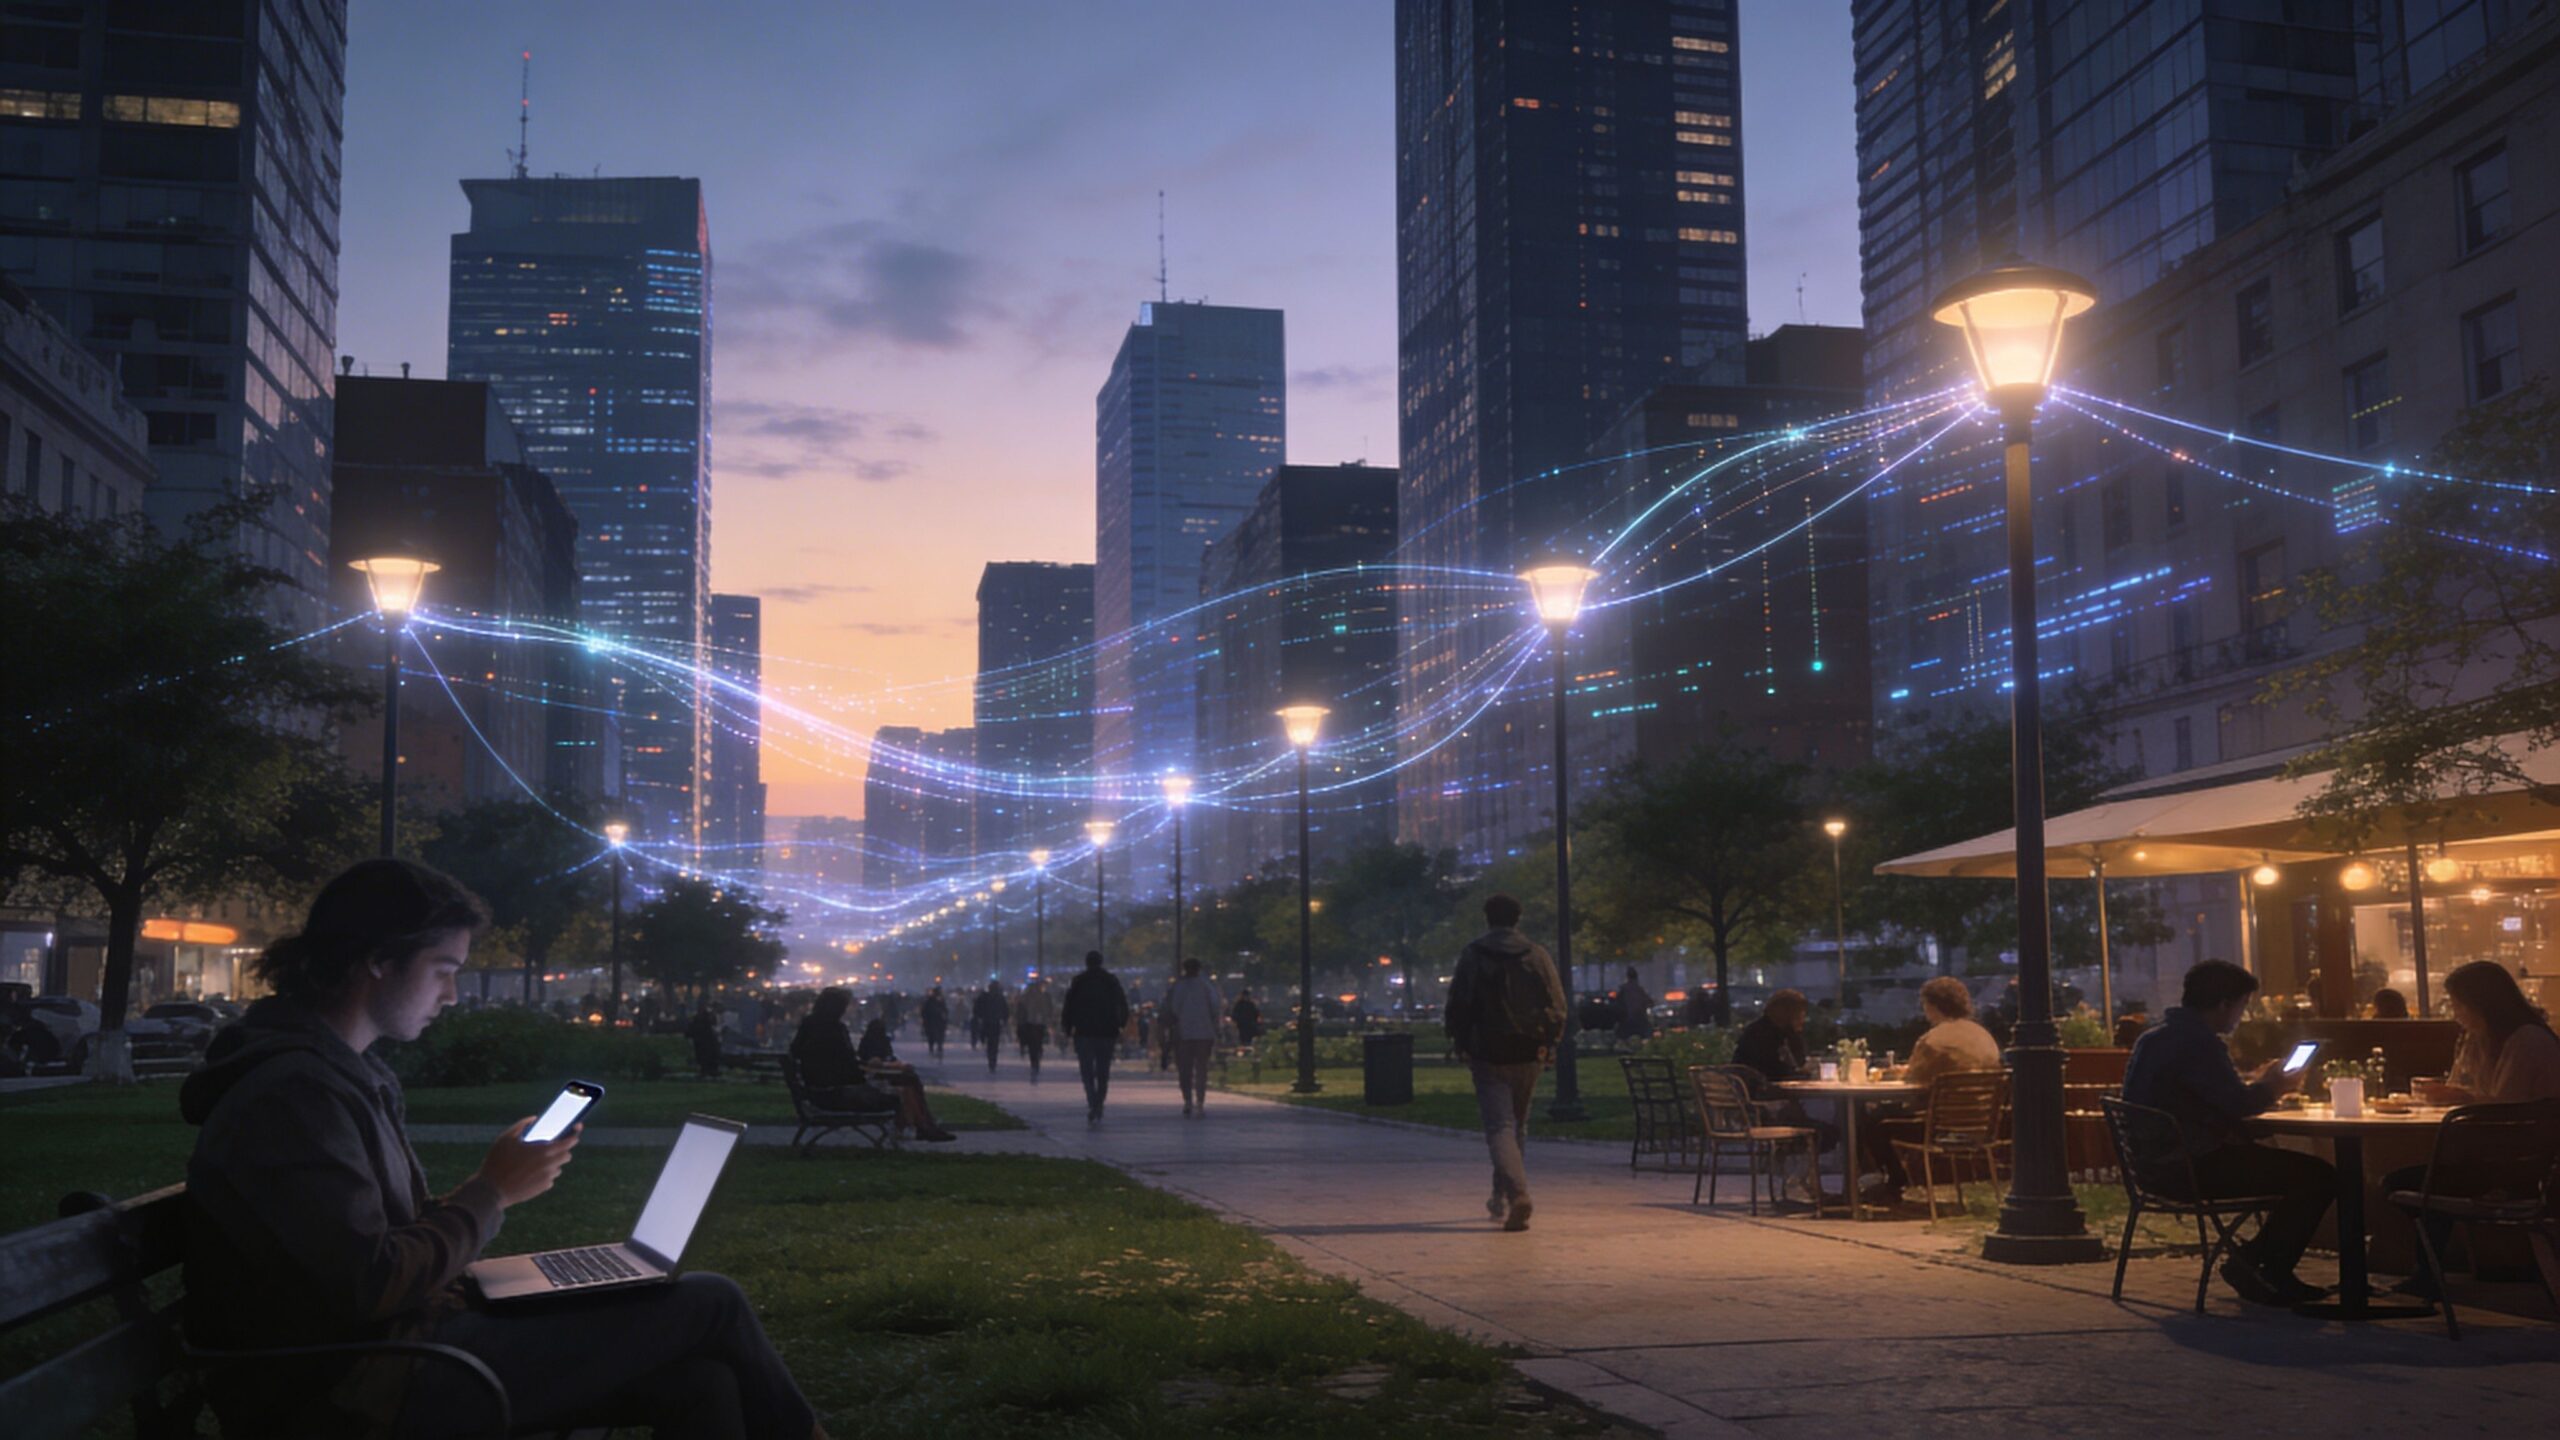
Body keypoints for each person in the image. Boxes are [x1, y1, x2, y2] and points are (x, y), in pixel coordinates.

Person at [181, 859, 823, 1439]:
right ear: (378, 958)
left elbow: (368, 1250)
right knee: (711, 1300)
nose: (453, 995)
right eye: (444, 971)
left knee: (703, 1382)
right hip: (356, 1391)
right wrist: (492, 1192)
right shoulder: (294, 1095)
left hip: (400, 1351)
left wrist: (497, 1237)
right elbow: (365, 1285)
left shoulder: (341, 1077)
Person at [2122, 959, 2335, 1305]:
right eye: (2241, 1005)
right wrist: (2274, 1087)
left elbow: (2210, 1096)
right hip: (2190, 1166)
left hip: (2154, 1167)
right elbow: (2238, 1106)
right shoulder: (2198, 1042)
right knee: (2319, 1177)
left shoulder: (2155, 1037)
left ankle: (2251, 1263)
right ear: (2224, 1004)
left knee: (2301, 1174)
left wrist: (2260, 1085)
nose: (2241, 1015)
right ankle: (2266, 1270)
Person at [2386, 960, 2560, 1297]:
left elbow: (2507, 1110)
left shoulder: (2527, 1041)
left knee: (2408, 1184)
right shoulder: (2484, 1039)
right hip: (2499, 1158)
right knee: (2418, 1180)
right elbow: (2466, 1090)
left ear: (2482, 1002)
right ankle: (2430, 1274)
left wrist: (2460, 1096)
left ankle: (2429, 1276)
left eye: (2458, 1003)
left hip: (2520, 1168)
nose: (2455, 1013)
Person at [1443, 894, 1567, 1233]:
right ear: (1518, 918)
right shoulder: (1536, 955)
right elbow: (1556, 1005)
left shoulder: (1473, 954)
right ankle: (1503, 1194)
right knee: (1518, 1124)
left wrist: (1459, 1040)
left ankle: (1516, 1193)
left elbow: (1459, 1003)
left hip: (1487, 1050)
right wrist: (1550, 1042)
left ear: (1487, 918)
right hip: (1528, 1051)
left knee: (1499, 1127)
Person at [1868, 976, 2005, 1202]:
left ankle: (1894, 1182)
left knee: (1873, 1122)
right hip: (1982, 1123)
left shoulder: (1932, 1041)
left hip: (1939, 1127)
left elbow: (1914, 1083)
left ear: (1931, 1005)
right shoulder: (1984, 1036)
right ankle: (1895, 1181)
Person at [792, 989, 956, 1142]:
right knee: (906, 1081)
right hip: (839, 1093)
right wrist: (873, 1071)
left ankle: (924, 1126)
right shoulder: (836, 1029)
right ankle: (924, 1127)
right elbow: (848, 1067)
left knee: (906, 1079)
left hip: (819, 1090)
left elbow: (799, 1052)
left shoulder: (809, 1025)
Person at [1061, 950, 1132, 1125]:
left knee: (1086, 1070)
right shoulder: (1111, 981)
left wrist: (1068, 1028)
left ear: (1087, 963)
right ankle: (1099, 1101)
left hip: (1084, 1031)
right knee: (1103, 1070)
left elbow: (1068, 1006)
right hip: (1107, 1031)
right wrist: (1121, 1025)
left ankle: (1092, 1100)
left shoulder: (1079, 981)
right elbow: (1122, 1004)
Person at [1162, 958, 1228, 1116]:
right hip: (1204, 1031)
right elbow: (1215, 1006)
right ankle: (1200, 1101)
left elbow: (1175, 1008)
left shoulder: (1179, 986)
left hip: (1184, 1032)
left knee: (1185, 1069)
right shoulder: (1207, 986)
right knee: (1201, 1068)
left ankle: (1188, 1101)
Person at [1015, 973, 1058, 1081]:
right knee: (1038, 1043)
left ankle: (1034, 1061)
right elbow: (1049, 1010)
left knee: (1032, 1044)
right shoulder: (1045, 996)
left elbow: (1020, 1009)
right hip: (1039, 1024)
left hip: (1030, 1023)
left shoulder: (1026, 996)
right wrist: (1049, 1019)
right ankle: (1037, 1059)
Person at [973, 981, 1009, 1075]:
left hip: (987, 1022)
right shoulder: (1000, 998)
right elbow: (1005, 1011)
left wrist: (979, 1017)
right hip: (995, 1023)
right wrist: (1004, 1020)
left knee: (989, 1042)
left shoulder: (984, 997)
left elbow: (976, 1009)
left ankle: (991, 1059)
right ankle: (993, 1060)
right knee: (994, 1043)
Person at [684, 1002, 723, 1078]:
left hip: (702, 1040)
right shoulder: (704, 1018)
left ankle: (707, 1070)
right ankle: (709, 1070)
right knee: (707, 1056)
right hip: (705, 1040)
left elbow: (690, 1030)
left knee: (703, 1057)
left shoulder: (698, 1018)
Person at [1616, 967, 1654, 1042]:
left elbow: (1618, 1004)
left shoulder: (1623, 990)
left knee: (1620, 1036)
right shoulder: (1639, 990)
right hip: (1640, 1019)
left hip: (1627, 1020)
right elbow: (1649, 1002)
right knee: (1648, 1032)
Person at [920, 985, 950, 1058]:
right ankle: (933, 1048)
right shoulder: (930, 1001)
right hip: (931, 1021)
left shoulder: (940, 1001)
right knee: (931, 1036)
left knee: (939, 1035)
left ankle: (938, 1047)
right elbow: (924, 1011)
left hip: (939, 1021)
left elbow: (945, 1010)